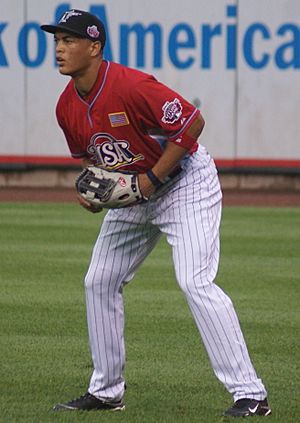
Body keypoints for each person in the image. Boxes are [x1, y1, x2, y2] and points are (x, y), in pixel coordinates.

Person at [40, 9, 271, 417]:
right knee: (99, 280)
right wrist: (97, 195)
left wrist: (150, 181)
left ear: (94, 47)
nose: (59, 48)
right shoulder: (66, 107)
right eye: (57, 40)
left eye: (69, 40)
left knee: (194, 281)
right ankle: (107, 391)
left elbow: (192, 124)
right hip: (136, 191)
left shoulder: (131, 86)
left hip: (186, 184)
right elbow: (94, 164)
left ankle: (250, 393)